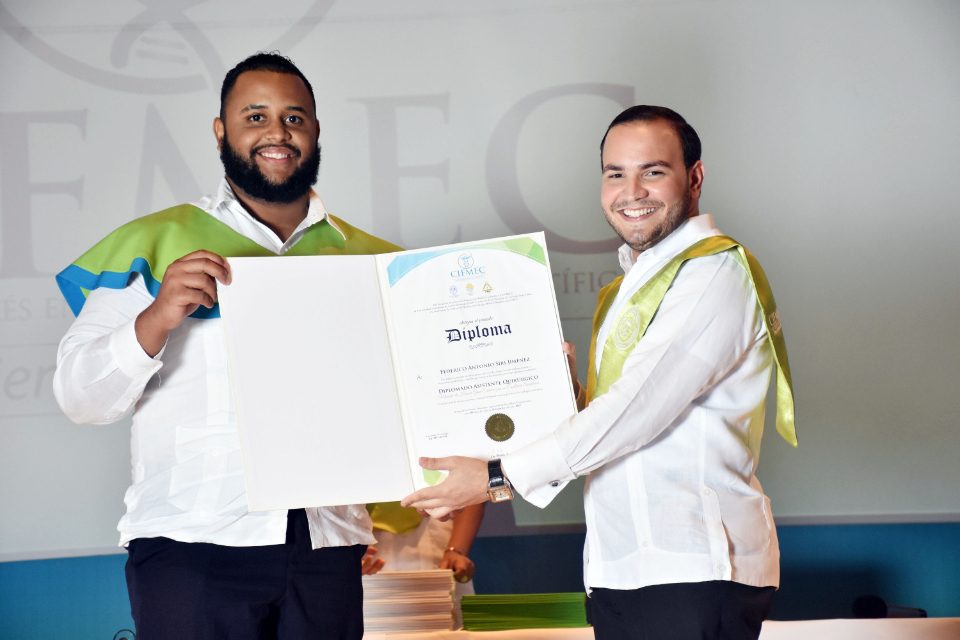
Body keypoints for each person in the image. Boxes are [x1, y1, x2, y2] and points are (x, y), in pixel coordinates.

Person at [403, 105, 797, 640]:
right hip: (623, 568)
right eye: (615, 174)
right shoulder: (631, 284)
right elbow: (624, 414)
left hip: (692, 567)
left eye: (652, 171)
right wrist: (562, 396)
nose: (631, 192)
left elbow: (636, 412)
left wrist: (497, 476)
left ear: (695, 177)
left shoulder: (713, 272)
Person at [53, 52, 399, 639]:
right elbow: (80, 398)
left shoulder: (372, 260)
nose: (277, 132)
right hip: (194, 541)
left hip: (327, 544)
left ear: (315, 131)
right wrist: (157, 316)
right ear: (221, 131)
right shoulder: (155, 245)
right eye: (255, 116)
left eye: (294, 118)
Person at [362, 502, 485, 628]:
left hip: (439, 535)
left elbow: (469, 494)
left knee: (449, 623)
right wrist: (351, 551)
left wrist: (456, 550)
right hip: (364, 544)